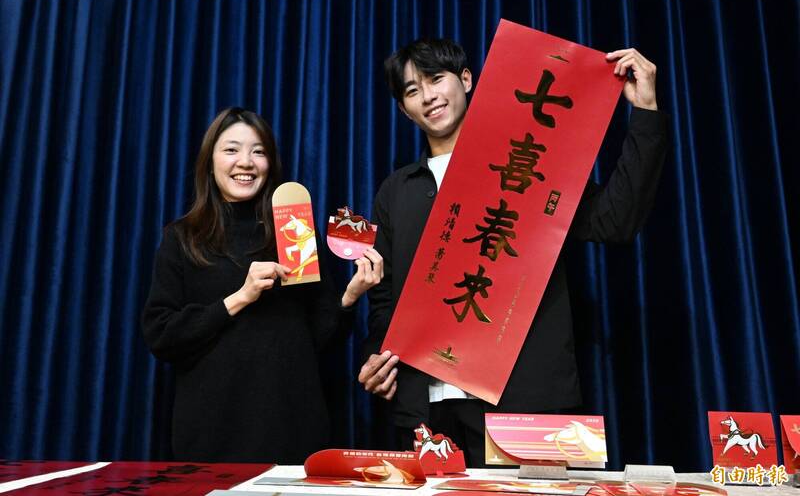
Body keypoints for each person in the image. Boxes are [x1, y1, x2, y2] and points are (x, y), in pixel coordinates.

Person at [358, 38, 668, 466]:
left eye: (436, 79)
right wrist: (377, 358)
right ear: (404, 109)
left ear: (467, 80)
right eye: (412, 90)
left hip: (525, 402)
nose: (428, 96)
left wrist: (646, 112)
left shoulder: (526, 166)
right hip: (427, 409)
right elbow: (384, 298)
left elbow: (616, 221)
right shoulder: (396, 191)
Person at [141, 107, 383, 464]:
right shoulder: (183, 238)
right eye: (232, 150)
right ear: (209, 163)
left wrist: (349, 297)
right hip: (212, 434)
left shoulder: (295, 230)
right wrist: (241, 297)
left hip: (293, 429)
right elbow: (161, 335)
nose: (246, 162)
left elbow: (319, 341)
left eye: (258, 151)